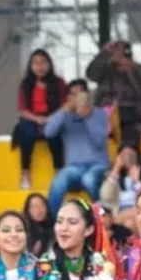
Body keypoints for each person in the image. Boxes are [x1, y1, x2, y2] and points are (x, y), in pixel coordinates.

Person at [44, 79, 111, 213]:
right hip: (74, 167)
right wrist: (64, 111)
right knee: (58, 182)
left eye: (80, 94)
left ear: (87, 96)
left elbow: (99, 141)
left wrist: (87, 117)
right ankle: (51, 224)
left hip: (98, 165)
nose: (77, 98)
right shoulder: (65, 115)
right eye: (73, 94)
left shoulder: (99, 113)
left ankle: (101, 217)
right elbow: (48, 132)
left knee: (89, 179)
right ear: (68, 97)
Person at [13, 49, 68, 189]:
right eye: (36, 63)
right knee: (26, 133)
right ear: (31, 66)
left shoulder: (58, 82)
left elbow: (65, 105)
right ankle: (25, 173)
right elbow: (22, 110)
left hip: (53, 116)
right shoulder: (26, 84)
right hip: (32, 119)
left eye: (43, 62)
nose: (40, 67)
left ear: (49, 64)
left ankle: (59, 173)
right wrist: (37, 119)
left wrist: (51, 118)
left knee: (54, 133)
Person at [86, 40, 141, 147]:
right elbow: (91, 74)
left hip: (133, 116)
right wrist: (104, 53)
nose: (118, 54)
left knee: (132, 148)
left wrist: (131, 71)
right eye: (115, 50)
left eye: (121, 51)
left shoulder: (137, 68)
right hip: (107, 115)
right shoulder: (105, 68)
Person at [99, 146, 141, 227]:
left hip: (138, 210)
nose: (127, 157)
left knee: (131, 222)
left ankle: (115, 222)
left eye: (130, 154)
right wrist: (116, 167)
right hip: (119, 211)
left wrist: (137, 182)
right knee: (131, 221)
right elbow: (106, 196)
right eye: (123, 154)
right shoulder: (115, 176)